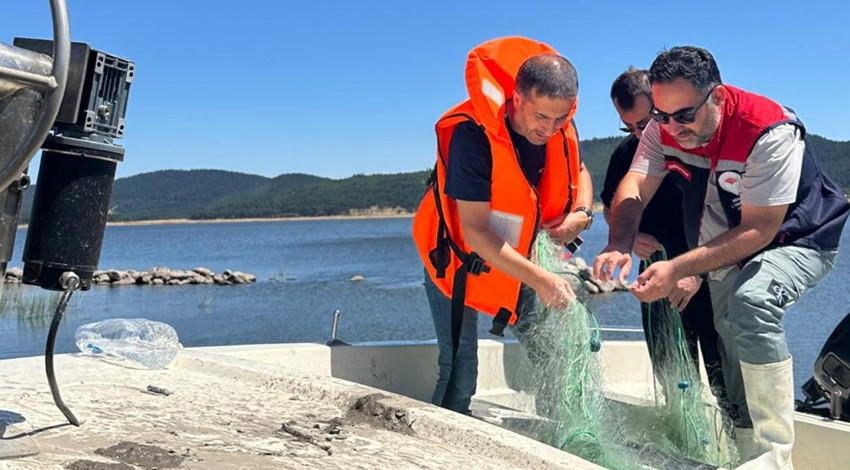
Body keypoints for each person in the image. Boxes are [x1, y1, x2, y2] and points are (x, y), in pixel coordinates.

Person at [594, 46, 849, 469]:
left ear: (717, 95)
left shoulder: (768, 131)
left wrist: (677, 267)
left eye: (685, 115)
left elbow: (759, 231)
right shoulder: (663, 129)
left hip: (800, 239)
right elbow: (634, 186)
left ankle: (773, 455)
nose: (673, 128)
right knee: (728, 334)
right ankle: (745, 445)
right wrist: (619, 241)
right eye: (662, 116)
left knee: (752, 301)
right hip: (730, 246)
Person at [412, 36, 593, 415]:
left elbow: (579, 170)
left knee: (551, 355)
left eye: (561, 118)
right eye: (541, 117)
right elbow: (476, 233)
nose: (550, 128)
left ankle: (556, 440)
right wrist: (543, 280)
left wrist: (582, 212)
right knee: (460, 372)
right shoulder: (471, 136)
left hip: (514, 261)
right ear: (517, 98)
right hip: (456, 262)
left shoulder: (559, 128)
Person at [601, 67, 725, 396]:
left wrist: (695, 272)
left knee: (724, 377)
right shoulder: (626, 154)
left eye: (644, 124)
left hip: (710, 275)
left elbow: (730, 219)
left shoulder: (696, 145)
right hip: (655, 277)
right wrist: (629, 235)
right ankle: (686, 443)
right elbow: (609, 205)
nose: (639, 135)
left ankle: (737, 444)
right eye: (628, 127)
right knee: (673, 379)